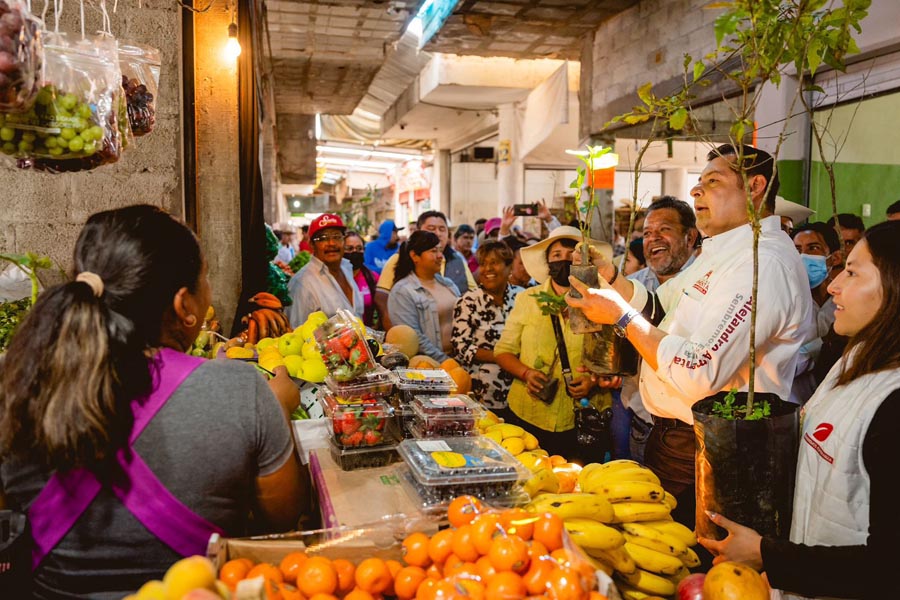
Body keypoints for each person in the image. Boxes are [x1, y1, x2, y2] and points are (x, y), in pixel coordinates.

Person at [0, 205, 309, 598]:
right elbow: (284, 523)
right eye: (206, 276)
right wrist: (276, 407)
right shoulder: (240, 389)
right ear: (184, 305)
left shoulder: (17, 383)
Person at [566, 144, 814, 530]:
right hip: (675, 439)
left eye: (713, 182)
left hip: (714, 448)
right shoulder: (720, 254)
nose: (696, 191)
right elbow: (660, 308)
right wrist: (611, 280)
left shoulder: (761, 264)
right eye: (697, 183)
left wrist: (619, 316)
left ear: (756, 186)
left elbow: (699, 369)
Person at [698, 220, 900, 600]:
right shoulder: (854, 357)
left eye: (853, 272)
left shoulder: (894, 405)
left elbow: (890, 568)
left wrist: (767, 556)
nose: (834, 284)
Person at [494, 226, 613, 461]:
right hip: (529, 414)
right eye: (556, 255)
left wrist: (592, 381)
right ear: (548, 263)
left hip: (581, 419)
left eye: (572, 255)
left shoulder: (602, 302)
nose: (564, 260)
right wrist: (527, 373)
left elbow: (612, 359)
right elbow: (503, 351)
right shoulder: (527, 299)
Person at [617, 196, 699, 463]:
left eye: (665, 229)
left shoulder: (705, 284)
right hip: (641, 420)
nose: (654, 239)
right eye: (648, 233)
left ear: (690, 236)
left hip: (691, 430)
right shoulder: (631, 285)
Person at [451, 241, 523, 415]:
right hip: (482, 392)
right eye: (483, 264)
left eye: (494, 263)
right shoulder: (468, 302)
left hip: (521, 388)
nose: (487, 269)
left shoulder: (522, 298)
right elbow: (461, 347)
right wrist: (505, 359)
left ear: (509, 267)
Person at [375, 211, 476, 329]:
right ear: (418, 232)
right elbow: (382, 297)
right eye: (431, 228)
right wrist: (394, 329)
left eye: (442, 229)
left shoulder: (457, 261)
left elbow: (473, 293)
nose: (437, 233)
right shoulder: (399, 259)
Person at [388, 231, 460, 362]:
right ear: (415, 256)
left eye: (440, 250)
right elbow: (414, 338)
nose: (440, 256)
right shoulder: (402, 291)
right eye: (433, 251)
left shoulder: (449, 284)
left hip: (460, 360)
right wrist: (445, 361)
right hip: (429, 366)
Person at [287, 213, 362, 327]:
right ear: (312, 244)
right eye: (323, 238)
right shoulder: (302, 284)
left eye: (337, 236)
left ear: (343, 241)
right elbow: (295, 332)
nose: (331, 243)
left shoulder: (347, 269)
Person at [344, 231, 381, 329]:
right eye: (349, 248)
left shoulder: (372, 278)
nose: (355, 252)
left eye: (359, 248)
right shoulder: (336, 279)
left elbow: (382, 311)